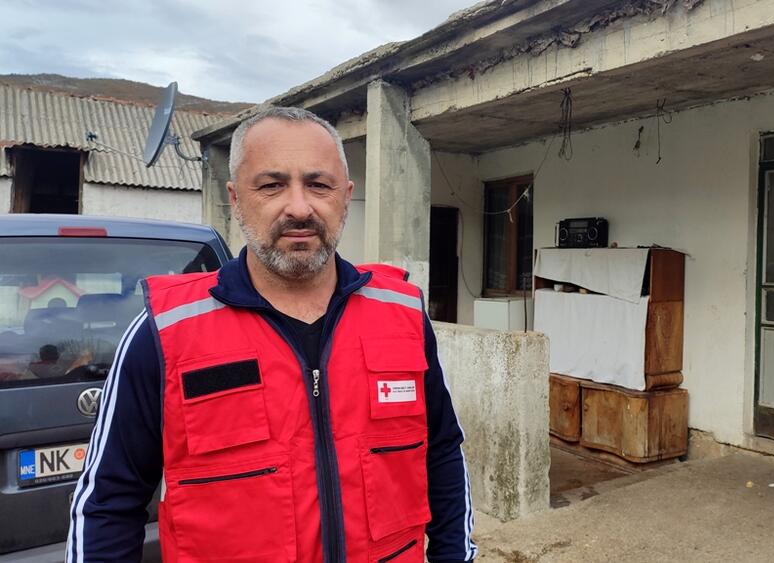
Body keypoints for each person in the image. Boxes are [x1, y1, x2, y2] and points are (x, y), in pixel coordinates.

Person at [67, 107, 477, 562]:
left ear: (346, 196)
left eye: (319, 185)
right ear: (236, 198)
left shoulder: (402, 315)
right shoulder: (164, 332)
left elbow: (441, 455)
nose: (299, 207)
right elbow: (108, 502)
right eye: (272, 185)